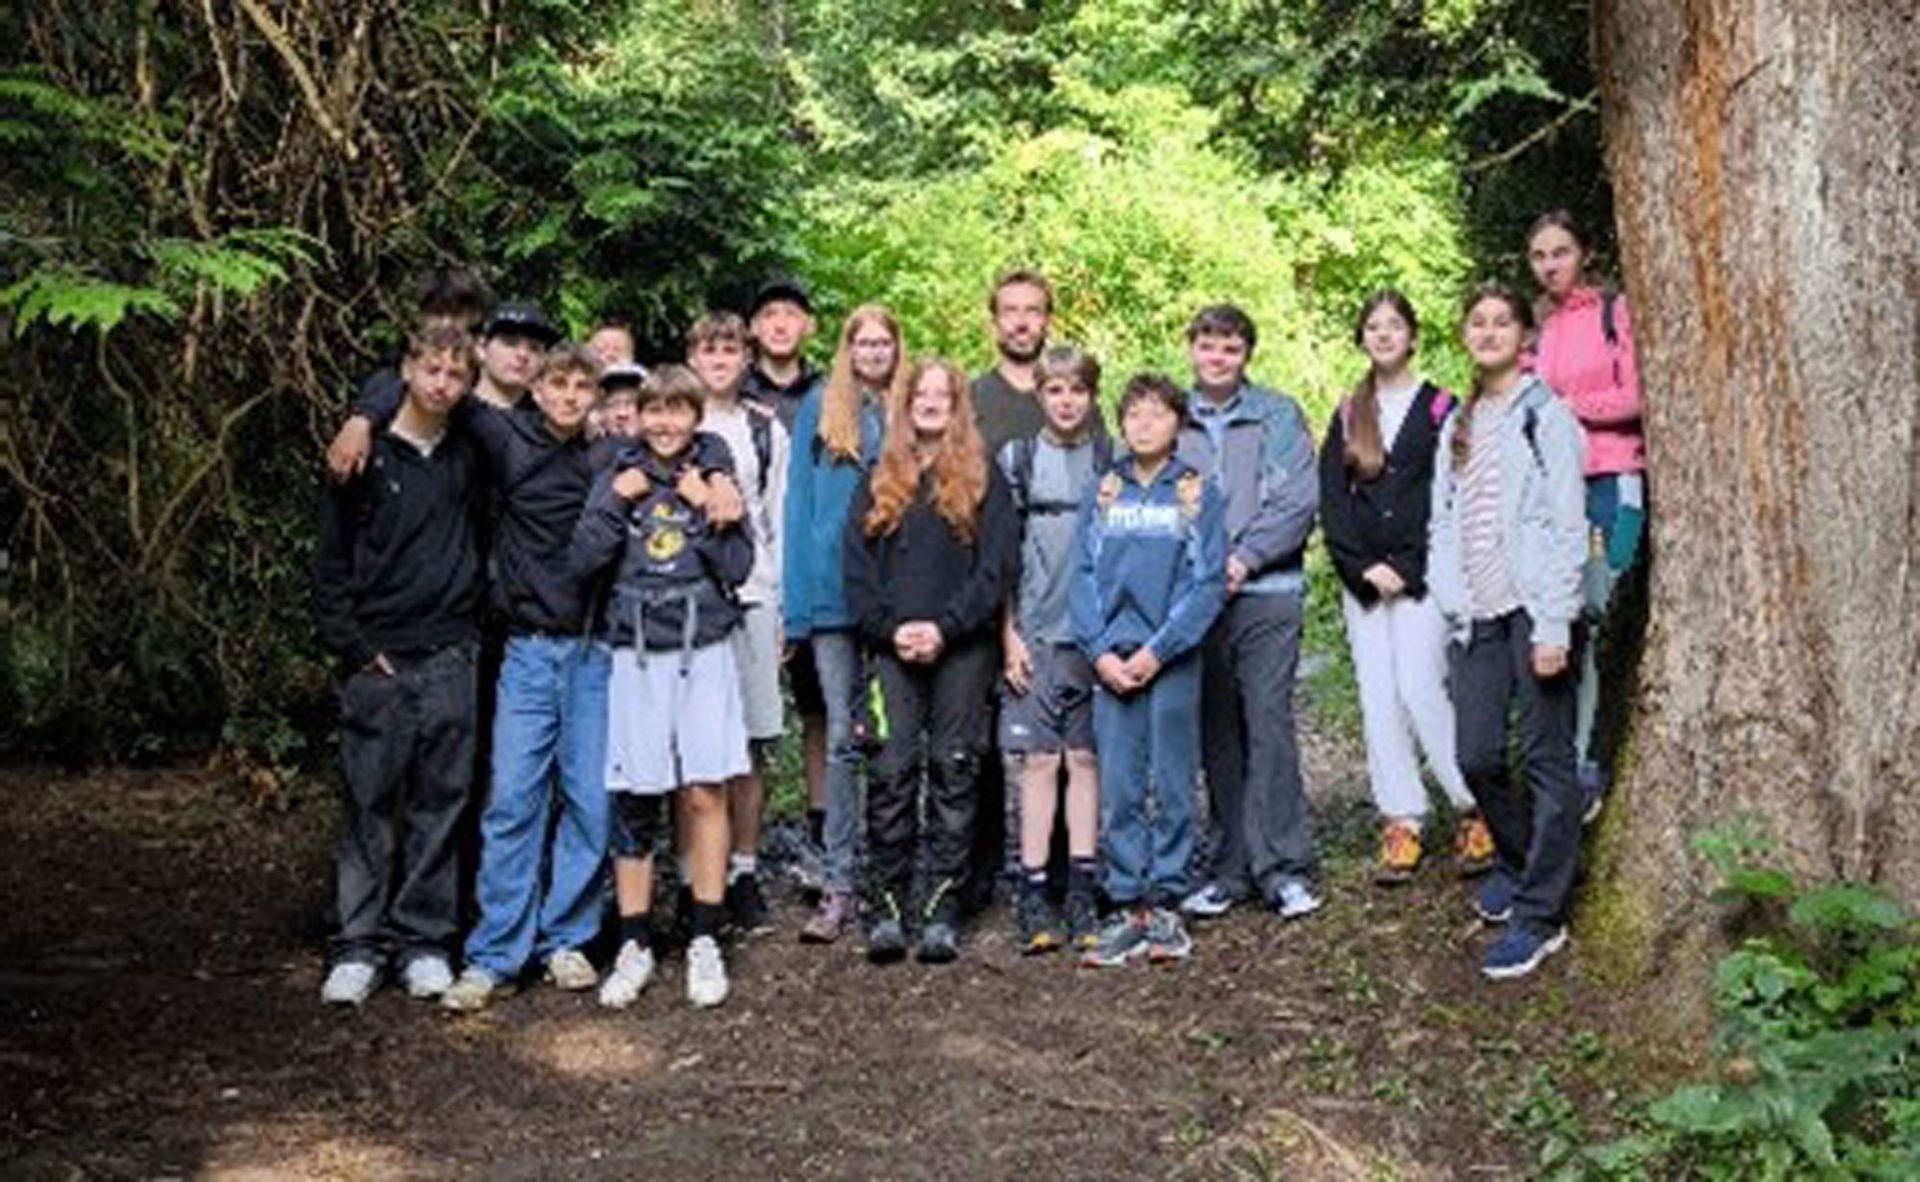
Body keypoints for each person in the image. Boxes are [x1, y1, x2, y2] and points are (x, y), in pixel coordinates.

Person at [399, 343, 612, 1012]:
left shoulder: (608, 457)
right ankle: (495, 953)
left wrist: (716, 475)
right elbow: (427, 387)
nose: (569, 396)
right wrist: (359, 416)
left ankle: (566, 938)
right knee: (513, 800)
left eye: (582, 387)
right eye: (558, 384)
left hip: (593, 651)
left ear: (595, 397)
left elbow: (682, 448)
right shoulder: (507, 439)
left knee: (590, 801)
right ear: (538, 391)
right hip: (525, 650)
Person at [571, 365, 754, 1010]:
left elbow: (740, 565)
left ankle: (705, 934)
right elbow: (583, 558)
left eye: (678, 410)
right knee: (636, 795)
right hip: (636, 652)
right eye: (655, 410)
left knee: (705, 790)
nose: (665, 423)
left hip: (703, 649)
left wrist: (708, 503)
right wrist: (615, 501)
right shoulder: (616, 472)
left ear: (696, 417)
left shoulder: (712, 473)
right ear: (639, 415)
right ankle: (635, 940)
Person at [313, 323, 485, 1006]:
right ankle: (358, 944)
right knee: (368, 804)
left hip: (450, 650)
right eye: (431, 370)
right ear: (407, 371)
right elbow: (331, 559)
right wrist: (354, 649)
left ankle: (424, 942)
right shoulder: (362, 453)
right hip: (377, 656)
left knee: (440, 804)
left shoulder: (470, 452)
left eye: (456, 374)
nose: (442, 384)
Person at [1429, 283, 1587, 980]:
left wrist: (1554, 624)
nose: (1489, 332)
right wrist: (1451, 596)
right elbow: (1442, 519)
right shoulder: (1458, 422)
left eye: (1502, 322)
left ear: (1525, 337)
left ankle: (1541, 915)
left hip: (1535, 608)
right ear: (1465, 335)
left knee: (1549, 761)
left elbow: (1567, 522)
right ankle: (1523, 864)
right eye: (1478, 322)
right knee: (1477, 755)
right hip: (1478, 613)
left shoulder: (1544, 414)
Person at [844, 358, 1017, 965]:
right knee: (890, 772)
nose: (931, 401)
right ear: (906, 402)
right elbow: (857, 572)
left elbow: (996, 569)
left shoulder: (984, 478)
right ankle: (888, 908)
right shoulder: (878, 477)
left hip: (962, 650)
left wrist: (946, 628)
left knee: (955, 769)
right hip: (891, 650)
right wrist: (891, 631)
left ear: (958, 404)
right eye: (921, 392)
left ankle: (943, 908)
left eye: (943, 393)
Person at [1318, 292, 1490, 886]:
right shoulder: (1349, 413)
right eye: (1373, 326)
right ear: (1362, 338)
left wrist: (1411, 568)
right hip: (1364, 582)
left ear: (1412, 337)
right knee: (1379, 697)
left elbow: (1453, 496)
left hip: (1423, 577)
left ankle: (1473, 806)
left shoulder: (1443, 408)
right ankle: (1401, 818)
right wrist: (1362, 567)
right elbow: (1333, 500)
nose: (1384, 335)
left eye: (1395, 326)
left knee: (1422, 687)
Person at [1175, 305, 1323, 922]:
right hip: (1195, 601)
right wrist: (1201, 571)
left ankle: (1284, 867)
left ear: (1246, 355)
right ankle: (1230, 866)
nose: (1218, 357)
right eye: (1208, 345)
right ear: (1192, 349)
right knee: (1218, 732)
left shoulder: (1277, 414)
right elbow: (1152, 496)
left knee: (1268, 724)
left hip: (1268, 593)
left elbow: (1297, 499)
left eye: (1230, 348)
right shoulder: (1171, 416)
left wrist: (1243, 559)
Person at [1074, 374, 1226, 966]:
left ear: (1177, 424)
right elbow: (1082, 576)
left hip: (1171, 659)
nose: (1144, 424)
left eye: (1157, 414)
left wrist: (1159, 652)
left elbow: (1207, 583)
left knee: (1171, 781)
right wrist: (1100, 651)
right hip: (1112, 659)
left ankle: (1165, 902)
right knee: (1119, 784)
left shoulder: (1195, 493)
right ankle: (1124, 902)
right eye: (1134, 414)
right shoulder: (1104, 490)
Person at [1526, 211, 1647, 820]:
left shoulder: (1613, 312)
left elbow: (1638, 396)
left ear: (1585, 253)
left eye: (1561, 252)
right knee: (1561, 618)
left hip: (1612, 482)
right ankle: (1560, 765)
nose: (1551, 265)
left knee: (1602, 616)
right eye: (1540, 256)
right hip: (1556, 490)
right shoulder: (1539, 328)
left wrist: (1567, 407)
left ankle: (1591, 764)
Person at [782, 306, 897, 943]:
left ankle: (893, 876)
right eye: (864, 343)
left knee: (894, 738)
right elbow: (798, 504)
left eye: (884, 343)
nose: (874, 353)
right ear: (848, 349)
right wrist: (796, 609)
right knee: (843, 739)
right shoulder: (821, 407)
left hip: (895, 597)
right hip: (830, 599)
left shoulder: (908, 406)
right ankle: (840, 881)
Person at [997, 345, 1110, 953]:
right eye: (1055, 390)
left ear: (1092, 396)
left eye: (1078, 390)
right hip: (1035, 632)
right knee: (1039, 762)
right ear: (1038, 395)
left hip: (1093, 636)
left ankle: (1083, 890)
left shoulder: (1110, 459)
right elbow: (1000, 555)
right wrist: (1008, 634)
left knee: (1085, 760)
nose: (1067, 402)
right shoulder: (1016, 460)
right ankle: (1034, 890)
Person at [686, 312, 790, 934]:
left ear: (745, 358)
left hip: (753, 593)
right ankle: (693, 874)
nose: (719, 359)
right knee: (693, 747)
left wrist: (780, 608)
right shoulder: (673, 418)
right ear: (692, 358)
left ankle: (744, 871)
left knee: (750, 741)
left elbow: (775, 518)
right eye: (708, 349)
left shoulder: (763, 428)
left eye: (729, 349)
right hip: (687, 599)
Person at [969, 267, 1057, 913]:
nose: (1022, 322)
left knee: (1057, 731)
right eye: (1011, 311)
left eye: (1033, 311)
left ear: (1047, 320)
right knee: (979, 735)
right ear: (994, 320)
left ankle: (1055, 866)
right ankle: (978, 871)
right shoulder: (974, 400)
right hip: (981, 581)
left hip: (1053, 586)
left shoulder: (1068, 392)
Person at [324, 267, 493, 482]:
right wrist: (362, 419)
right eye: (437, 313)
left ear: (474, 316)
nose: (446, 323)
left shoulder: (487, 353)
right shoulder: (404, 360)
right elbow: (387, 382)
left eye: (456, 314)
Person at [742, 276, 826, 432]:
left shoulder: (828, 395)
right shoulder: (733, 393)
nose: (780, 326)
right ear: (753, 327)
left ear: (810, 326)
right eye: (769, 315)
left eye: (791, 314)